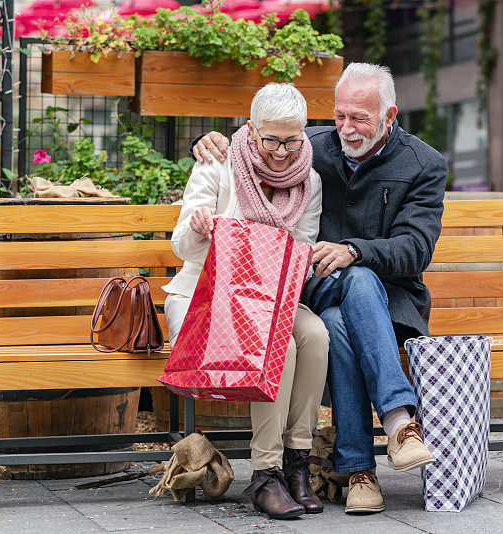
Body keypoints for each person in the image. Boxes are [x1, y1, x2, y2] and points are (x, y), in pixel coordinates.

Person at [190, 63, 447, 514]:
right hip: (310, 286)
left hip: (389, 305)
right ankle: (400, 423)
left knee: (337, 321)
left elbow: (417, 249)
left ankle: (361, 473)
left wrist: (355, 250)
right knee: (333, 308)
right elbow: (263, 140)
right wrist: (209, 140)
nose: (346, 127)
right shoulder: (311, 146)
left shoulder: (424, 164)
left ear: (390, 116)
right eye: (340, 114)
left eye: (360, 119)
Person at [163, 83, 329, 520]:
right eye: (271, 139)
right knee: (283, 347)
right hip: (208, 297)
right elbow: (181, 246)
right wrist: (202, 230)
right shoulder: (220, 164)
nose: (282, 151)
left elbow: (301, 251)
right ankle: (265, 472)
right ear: (252, 131)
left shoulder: (308, 180)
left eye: (293, 140)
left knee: (315, 335)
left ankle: (297, 465)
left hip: (271, 294)